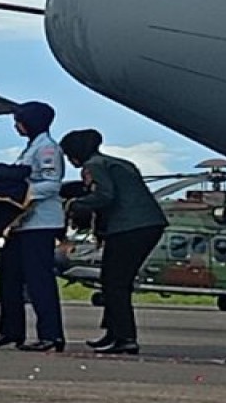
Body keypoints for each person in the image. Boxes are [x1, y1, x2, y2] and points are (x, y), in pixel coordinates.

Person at [60, 128, 168, 355]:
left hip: (129, 227)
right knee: (114, 280)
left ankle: (125, 337)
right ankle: (113, 332)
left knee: (115, 283)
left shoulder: (94, 166)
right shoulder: (116, 163)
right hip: (143, 225)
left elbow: (104, 196)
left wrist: (73, 204)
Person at [0, 102, 65, 352]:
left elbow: (51, 184)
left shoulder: (47, 149)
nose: (16, 125)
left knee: (39, 280)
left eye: (19, 120)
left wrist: (19, 196)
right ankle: (10, 330)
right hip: (20, 224)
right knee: (9, 277)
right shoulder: (31, 149)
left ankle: (51, 335)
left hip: (40, 222)